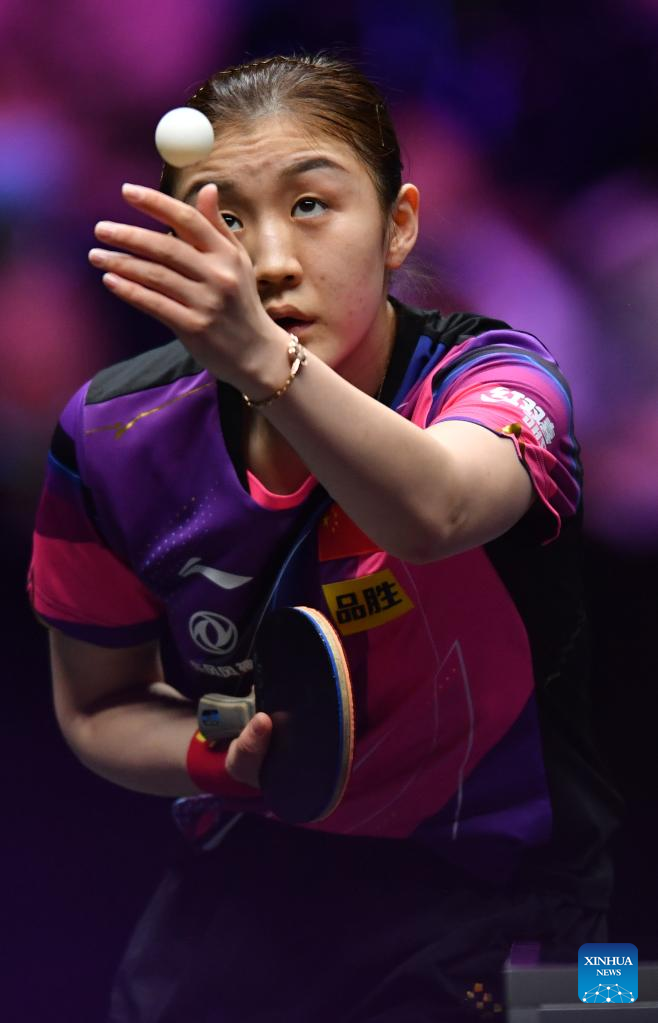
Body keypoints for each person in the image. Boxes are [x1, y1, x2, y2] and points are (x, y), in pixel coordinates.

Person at [29, 54, 621, 1022]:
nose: (268, 261)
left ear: (397, 226)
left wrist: (267, 363)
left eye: (310, 205)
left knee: (617, 1003)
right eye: (224, 218)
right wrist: (222, 753)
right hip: (247, 891)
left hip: (512, 903)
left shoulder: (499, 378)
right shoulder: (110, 434)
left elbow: (434, 512)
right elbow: (100, 705)